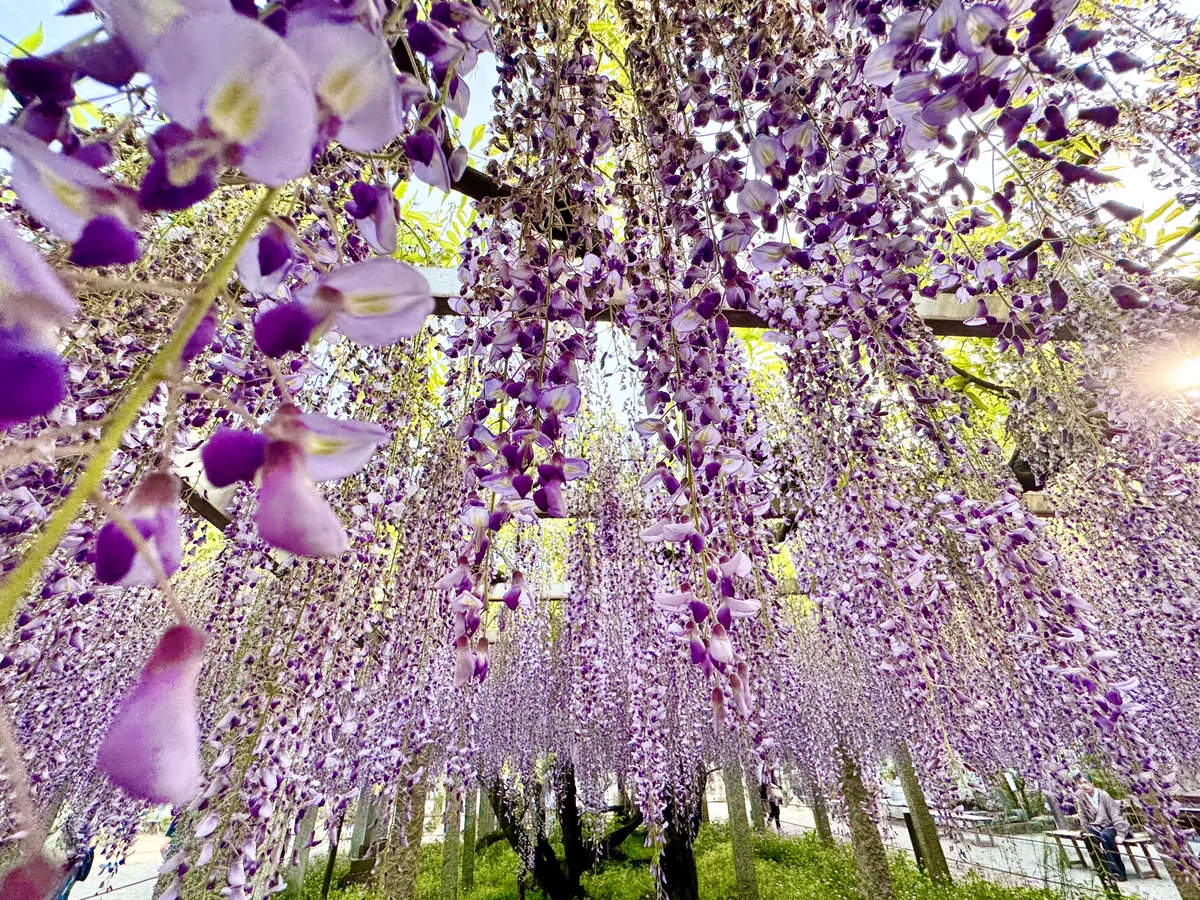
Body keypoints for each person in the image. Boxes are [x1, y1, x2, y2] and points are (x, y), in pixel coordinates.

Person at [1072, 773, 1130, 882]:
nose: (1083, 786)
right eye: (1080, 784)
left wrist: (1120, 834)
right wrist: (1083, 830)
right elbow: (1083, 816)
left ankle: (1118, 872)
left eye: (1086, 782)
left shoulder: (1103, 795)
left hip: (1113, 826)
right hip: (1098, 827)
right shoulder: (1081, 797)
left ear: (1092, 783)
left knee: (1106, 836)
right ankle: (1102, 868)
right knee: (1088, 836)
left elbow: (1116, 815)